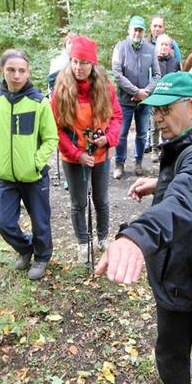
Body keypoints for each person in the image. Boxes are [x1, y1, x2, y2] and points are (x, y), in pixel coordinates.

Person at [95, 72, 192, 384]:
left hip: (183, 273)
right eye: (154, 111)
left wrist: (137, 236)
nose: (158, 119)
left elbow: (182, 203)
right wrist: (159, 184)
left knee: (170, 353)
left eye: (166, 109)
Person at [0, 49, 58, 280]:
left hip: (34, 177)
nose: (16, 75)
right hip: (6, 176)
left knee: (40, 221)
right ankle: (26, 249)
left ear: (28, 72)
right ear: (2, 71)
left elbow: (51, 138)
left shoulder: (38, 102)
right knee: (2, 222)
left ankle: (42, 257)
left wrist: (35, 162)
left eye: (21, 71)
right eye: (11, 70)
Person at [51, 36, 122, 262]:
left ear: (93, 64)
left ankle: (102, 238)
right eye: (74, 61)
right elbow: (56, 127)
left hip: (101, 154)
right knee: (78, 202)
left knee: (101, 200)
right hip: (74, 157)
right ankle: (83, 242)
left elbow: (117, 117)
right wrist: (77, 154)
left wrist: (108, 139)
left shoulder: (106, 88)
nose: (78, 67)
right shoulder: (61, 90)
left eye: (84, 62)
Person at [111, 15, 161, 179]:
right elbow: (117, 74)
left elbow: (157, 74)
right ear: (129, 30)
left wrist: (145, 92)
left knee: (141, 133)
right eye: (135, 29)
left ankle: (139, 162)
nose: (137, 33)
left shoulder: (150, 50)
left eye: (140, 30)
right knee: (121, 133)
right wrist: (135, 91)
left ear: (143, 31)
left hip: (145, 100)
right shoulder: (120, 47)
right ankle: (119, 163)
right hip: (124, 100)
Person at [149, 34, 181, 161]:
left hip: (170, 99)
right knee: (154, 126)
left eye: (166, 45)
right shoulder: (152, 61)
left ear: (170, 47)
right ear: (157, 46)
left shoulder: (175, 62)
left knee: (169, 124)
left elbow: (178, 80)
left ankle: (167, 148)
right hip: (155, 98)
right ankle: (154, 149)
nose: (163, 47)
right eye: (161, 44)